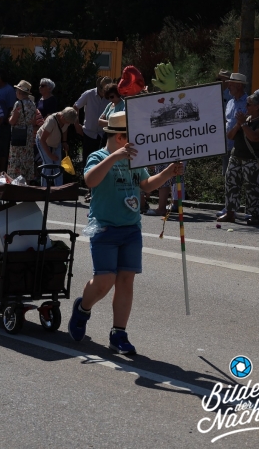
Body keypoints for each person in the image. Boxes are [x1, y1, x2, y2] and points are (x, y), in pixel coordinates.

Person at [67, 112, 184, 354]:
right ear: (120, 137)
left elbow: (146, 185)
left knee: (125, 281)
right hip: (104, 227)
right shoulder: (98, 156)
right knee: (104, 281)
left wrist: (168, 173)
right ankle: (82, 309)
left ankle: (118, 333)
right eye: (133, 136)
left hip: (131, 228)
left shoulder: (135, 159)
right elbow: (90, 181)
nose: (138, 141)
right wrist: (115, 157)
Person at [217, 93, 259, 226]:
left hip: (252, 159)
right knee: (231, 184)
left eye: (249, 104)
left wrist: (243, 124)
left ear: (257, 106)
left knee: (253, 187)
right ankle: (230, 213)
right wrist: (238, 125)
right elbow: (230, 136)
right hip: (236, 156)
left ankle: (255, 215)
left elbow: (255, 137)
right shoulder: (245, 119)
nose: (246, 106)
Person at [216, 73, 249, 217]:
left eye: (231, 84)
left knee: (247, 178)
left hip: (243, 147)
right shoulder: (230, 102)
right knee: (229, 177)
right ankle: (229, 207)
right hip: (228, 145)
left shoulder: (248, 102)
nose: (228, 86)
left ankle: (249, 210)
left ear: (239, 86)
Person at [7, 80, 40, 182]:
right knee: (27, 158)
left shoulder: (18, 104)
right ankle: (26, 180)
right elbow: (33, 121)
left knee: (17, 159)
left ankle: (15, 180)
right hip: (28, 134)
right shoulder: (32, 104)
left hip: (18, 133)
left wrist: (9, 118)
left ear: (19, 92)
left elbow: (13, 121)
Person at [74, 76, 111, 166]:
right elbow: (76, 107)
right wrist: (76, 124)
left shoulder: (110, 97)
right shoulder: (89, 94)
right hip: (89, 134)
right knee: (87, 161)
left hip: (103, 134)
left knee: (102, 162)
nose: (104, 93)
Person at [37, 107, 78, 187]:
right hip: (43, 142)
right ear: (62, 117)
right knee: (48, 164)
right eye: (67, 122)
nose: (68, 123)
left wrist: (64, 142)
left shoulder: (66, 120)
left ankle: (58, 189)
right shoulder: (51, 121)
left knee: (58, 167)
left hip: (56, 143)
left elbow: (65, 129)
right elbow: (42, 140)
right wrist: (50, 155)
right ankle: (44, 189)